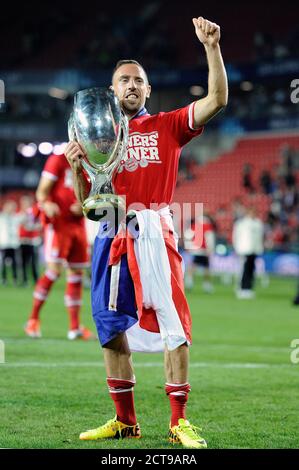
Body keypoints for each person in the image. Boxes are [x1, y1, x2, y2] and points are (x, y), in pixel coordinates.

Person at [65, 16, 228, 448]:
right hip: (110, 236)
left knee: (174, 323)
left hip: (154, 229)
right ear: (113, 90)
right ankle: (125, 421)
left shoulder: (169, 126)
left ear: (148, 90)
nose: (132, 86)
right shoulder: (102, 138)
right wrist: (76, 167)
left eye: (139, 80)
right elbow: (89, 205)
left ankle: (178, 423)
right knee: (109, 327)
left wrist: (211, 47)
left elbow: (217, 99)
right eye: (124, 80)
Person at [24, 151, 95, 340]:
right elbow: (42, 191)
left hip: (79, 225)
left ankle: (74, 328)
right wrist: (45, 204)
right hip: (59, 224)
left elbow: (93, 194)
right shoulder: (57, 159)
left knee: (76, 274)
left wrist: (86, 207)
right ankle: (32, 320)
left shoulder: (91, 160)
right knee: (54, 271)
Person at [232, 207, 264, 299]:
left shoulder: (258, 223)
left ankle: (249, 288)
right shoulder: (241, 223)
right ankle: (241, 288)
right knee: (243, 269)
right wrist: (237, 248)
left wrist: (259, 248)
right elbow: (236, 236)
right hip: (244, 249)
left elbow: (260, 237)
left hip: (254, 250)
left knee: (251, 269)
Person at [184, 213, 216, 292]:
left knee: (193, 266)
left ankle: (189, 282)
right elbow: (209, 238)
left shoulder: (195, 225)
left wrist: (188, 246)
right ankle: (207, 285)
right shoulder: (208, 226)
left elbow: (188, 235)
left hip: (195, 249)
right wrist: (210, 249)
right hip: (204, 250)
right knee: (206, 268)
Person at [18, 195, 42, 286]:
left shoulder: (33, 213)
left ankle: (36, 280)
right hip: (23, 241)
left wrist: (33, 227)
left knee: (33, 262)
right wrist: (33, 226)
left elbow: (39, 225)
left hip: (33, 241)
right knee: (23, 262)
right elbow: (25, 226)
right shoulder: (20, 213)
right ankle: (24, 280)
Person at [0, 199, 21, 285]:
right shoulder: (1, 217)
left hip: (14, 244)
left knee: (14, 263)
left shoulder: (16, 217)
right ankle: (4, 278)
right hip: (4, 243)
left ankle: (15, 279)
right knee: (3, 263)